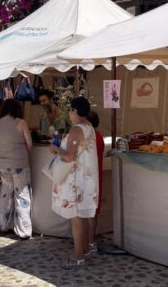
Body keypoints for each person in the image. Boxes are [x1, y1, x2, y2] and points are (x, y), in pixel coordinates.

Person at [51, 97, 99, 269]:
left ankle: (78, 256)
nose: (69, 114)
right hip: (86, 179)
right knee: (83, 217)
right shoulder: (89, 128)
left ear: (75, 111)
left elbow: (70, 156)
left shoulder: (76, 129)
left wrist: (56, 148)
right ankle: (84, 250)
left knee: (76, 220)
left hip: (75, 180)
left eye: (70, 110)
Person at [0, 99, 33, 239]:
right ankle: (24, 230)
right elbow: (29, 143)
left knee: (5, 194)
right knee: (22, 195)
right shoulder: (21, 122)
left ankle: (4, 225)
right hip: (19, 163)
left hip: (3, 164)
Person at [85, 111, 105, 256]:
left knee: (90, 213)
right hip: (93, 178)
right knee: (91, 213)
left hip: (91, 179)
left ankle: (90, 243)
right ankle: (89, 241)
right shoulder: (96, 136)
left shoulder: (93, 137)